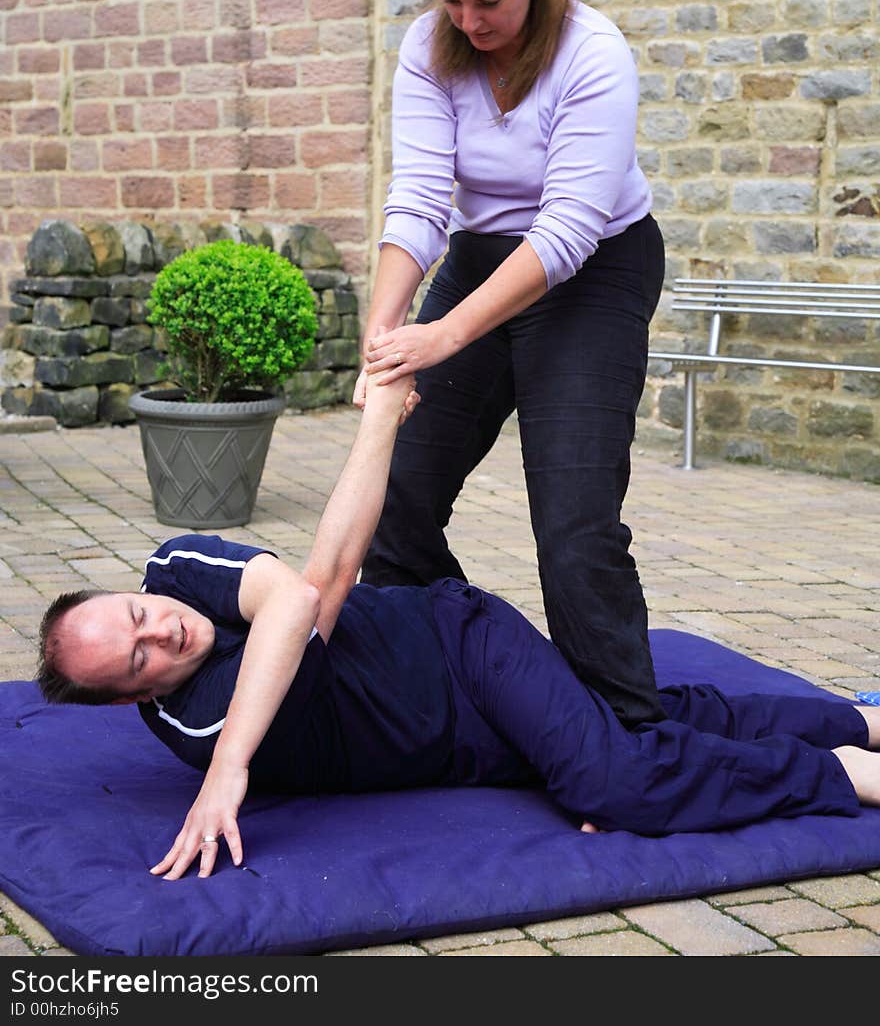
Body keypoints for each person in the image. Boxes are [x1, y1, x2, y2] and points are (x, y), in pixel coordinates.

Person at [37, 368, 880, 882]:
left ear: (128, 591)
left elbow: (305, 592)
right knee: (640, 722)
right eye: (140, 659)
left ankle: (846, 775)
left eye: (140, 617)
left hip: (459, 644)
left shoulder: (172, 570)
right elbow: (292, 618)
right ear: (129, 703)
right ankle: (863, 722)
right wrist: (222, 753)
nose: (166, 634)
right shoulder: (198, 714)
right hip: (461, 743)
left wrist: (231, 772)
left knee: (613, 783)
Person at [355, 0, 667, 728]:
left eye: (487, 1)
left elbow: (568, 230)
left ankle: (627, 736)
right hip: (483, 256)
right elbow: (419, 198)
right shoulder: (429, 45)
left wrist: (445, 333)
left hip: (593, 270)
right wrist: (386, 326)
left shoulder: (593, 53)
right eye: (452, 1)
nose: (469, 20)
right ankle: (453, 677)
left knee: (573, 528)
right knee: (396, 497)